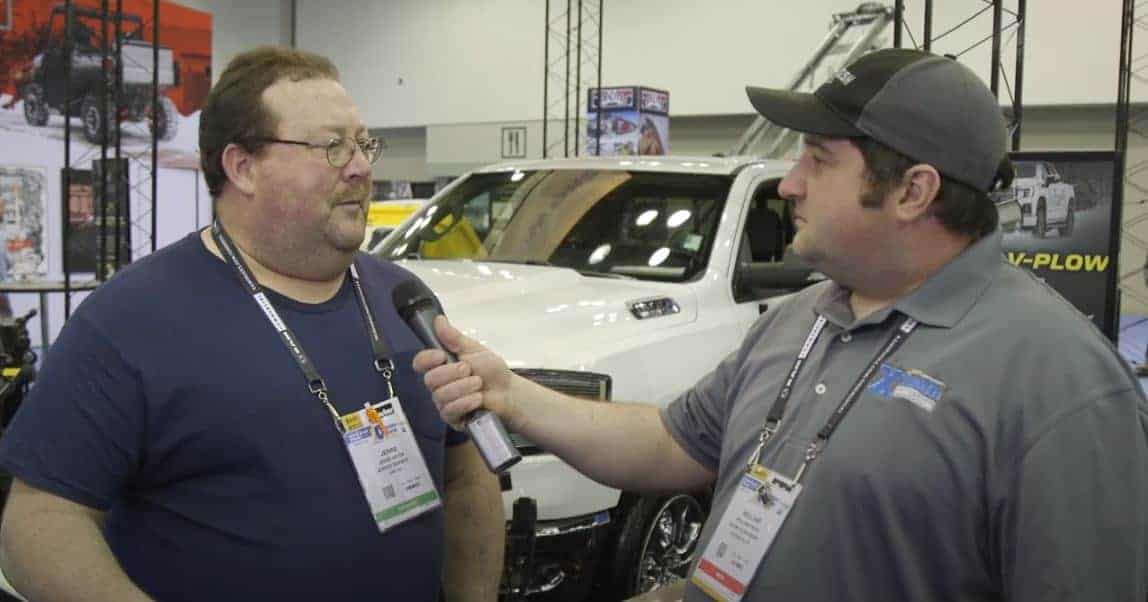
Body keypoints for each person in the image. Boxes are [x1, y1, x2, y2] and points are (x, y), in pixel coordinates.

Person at [416, 48, 1148, 601]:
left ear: (912, 192)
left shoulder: (1060, 383)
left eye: (818, 159)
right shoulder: (808, 315)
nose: (790, 183)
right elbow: (672, 442)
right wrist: (513, 394)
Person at [0, 46, 503, 601]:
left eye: (362, 143)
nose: (361, 165)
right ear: (243, 168)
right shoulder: (129, 321)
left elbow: (464, 476)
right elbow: (41, 519)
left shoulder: (405, 301)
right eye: (332, 146)